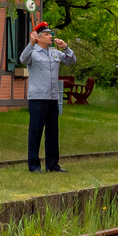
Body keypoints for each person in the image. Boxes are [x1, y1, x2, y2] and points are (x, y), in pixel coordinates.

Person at [18, 22, 76, 172]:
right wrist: (31, 43)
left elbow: (71, 61)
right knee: (35, 132)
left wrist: (65, 47)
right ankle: (34, 165)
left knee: (52, 132)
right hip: (37, 98)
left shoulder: (54, 52)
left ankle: (53, 164)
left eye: (50, 34)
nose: (51, 36)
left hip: (52, 98)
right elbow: (23, 59)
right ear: (39, 37)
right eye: (47, 34)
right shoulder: (33, 53)